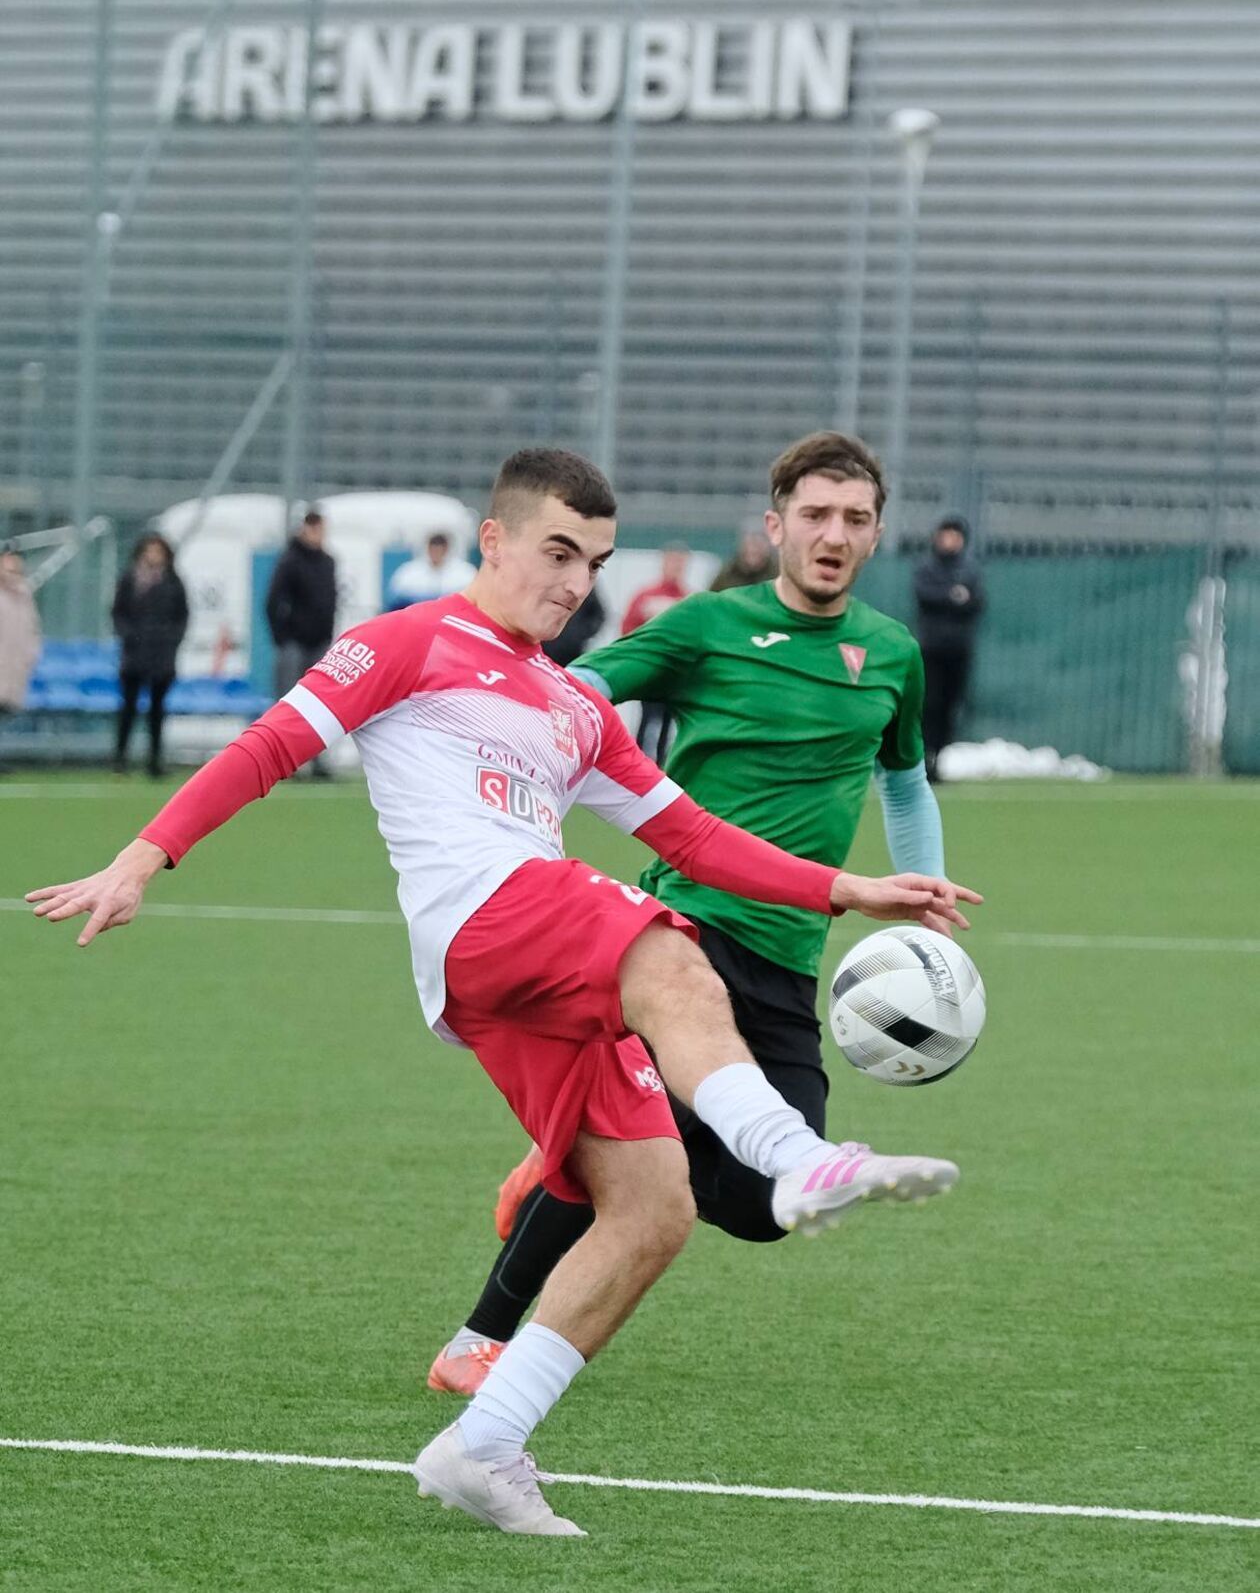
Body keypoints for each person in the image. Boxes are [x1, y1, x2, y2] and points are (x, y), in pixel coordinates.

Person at [27, 448, 979, 1539]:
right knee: (667, 951)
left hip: (524, 969)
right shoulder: (408, 641)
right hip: (485, 918)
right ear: (495, 540)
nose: (576, 584)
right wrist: (145, 856)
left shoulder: (574, 705)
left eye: (596, 564)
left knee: (653, 1209)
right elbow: (270, 745)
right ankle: (803, 1161)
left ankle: (482, 1445)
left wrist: (847, 887)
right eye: (558, 553)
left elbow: (691, 834)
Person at [428, 430, 956, 1397]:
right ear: (775, 525)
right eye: (814, 515)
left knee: (765, 1208)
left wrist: (920, 913)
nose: (832, 534)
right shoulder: (708, 625)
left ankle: (563, 1156)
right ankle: (476, 1340)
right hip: (682, 930)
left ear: (877, 534)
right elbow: (574, 687)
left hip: (793, 948)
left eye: (854, 518)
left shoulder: (890, 653)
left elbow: (907, 781)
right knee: (636, 1147)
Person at [265, 509, 337, 778]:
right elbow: (273, 602)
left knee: (320, 707)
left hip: (319, 643)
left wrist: (327, 634)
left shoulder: (328, 562)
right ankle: (283, 762)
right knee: (288, 705)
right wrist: (283, 638)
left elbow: (330, 601)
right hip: (294, 642)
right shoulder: (290, 561)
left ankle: (318, 762)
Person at [914, 515, 986, 781]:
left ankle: (938, 758)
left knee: (950, 705)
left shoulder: (970, 570)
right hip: (931, 650)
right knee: (928, 705)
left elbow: (976, 602)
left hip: (959, 649)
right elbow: (927, 596)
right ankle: (923, 758)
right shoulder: (927, 568)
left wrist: (956, 599)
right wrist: (953, 596)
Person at [111, 534, 189, 778]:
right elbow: (117, 613)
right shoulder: (130, 579)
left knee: (157, 711)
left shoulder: (174, 582)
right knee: (128, 709)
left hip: (161, 656)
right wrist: (129, 637)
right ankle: (120, 759)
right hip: (134, 655)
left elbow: (182, 616)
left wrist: (170, 641)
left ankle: (154, 761)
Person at [620, 543, 690, 764]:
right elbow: (627, 628)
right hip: (649, 669)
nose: (675, 567)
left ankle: (660, 766)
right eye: (672, 561)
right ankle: (637, 762)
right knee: (647, 718)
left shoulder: (688, 600)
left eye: (679, 563)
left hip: (674, 673)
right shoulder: (646, 596)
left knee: (668, 721)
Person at [0, 546, 41, 767]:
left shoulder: (24, 594)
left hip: (14, 663)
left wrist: (31, 654)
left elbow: (31, 628)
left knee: (4, 711)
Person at [387, 531, 477, 609]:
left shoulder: (465, 574)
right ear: (428, 548)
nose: (436, 554)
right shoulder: (408, 573)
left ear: (446, 550)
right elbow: (396, 603)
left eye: (439, 550)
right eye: (433, 550)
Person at [543, 583, 606, 667]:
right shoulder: (545, 581)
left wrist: (579, 635)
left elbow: (598, 615)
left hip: (572, 654)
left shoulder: (583, 584)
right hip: (546, 652)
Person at [710, 524, 774, 591]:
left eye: (759, 546)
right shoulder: (728, 574)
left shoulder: (777, 575)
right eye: (749, 545)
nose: (753, 549)